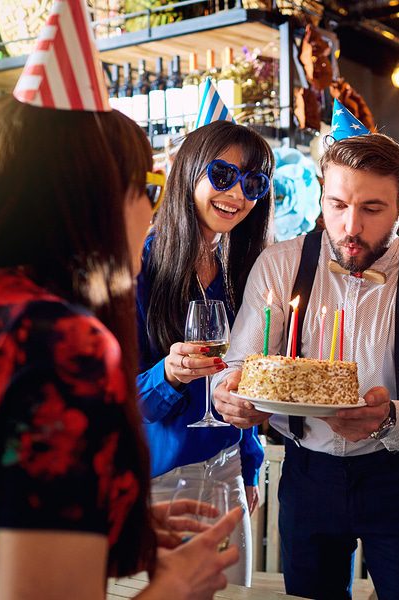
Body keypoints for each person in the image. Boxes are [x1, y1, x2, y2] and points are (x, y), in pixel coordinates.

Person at [0, 93, 243, 598]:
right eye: (146, 188)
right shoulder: (58, 342)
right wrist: (173, 588)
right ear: (89, 197)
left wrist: (114, 528)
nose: (152, 212)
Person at [213, 130, 399, 600]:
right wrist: (229, 393)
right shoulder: (279, 264)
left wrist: (388, 417)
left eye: (372, 209)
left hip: (394, 475)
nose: (350, 226)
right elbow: (241, 366)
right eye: (337, 204)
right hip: (306, 475)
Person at [136, 119, 272, 586]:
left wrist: (250, 461)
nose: (237, 193)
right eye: (222, 175)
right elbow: (118, 401)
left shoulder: (241, 270)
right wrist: (169, 374)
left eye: (253, 183)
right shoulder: (142, 266)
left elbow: (240, 381)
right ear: (189, 171)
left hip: (229, 468)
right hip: (163, 480)